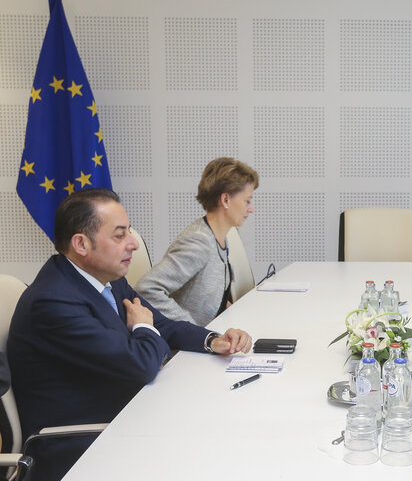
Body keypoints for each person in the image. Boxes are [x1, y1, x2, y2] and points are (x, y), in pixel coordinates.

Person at [7, 188, 252, 481]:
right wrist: (142, 328)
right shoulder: (53, 302)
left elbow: (161, 324)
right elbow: (142, 364)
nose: (134, 244)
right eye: (119, 235)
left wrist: (213, 340)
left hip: (121, 411)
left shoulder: (102, 278)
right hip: (78, 445)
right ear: (81, 244)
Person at [136, 157, 258, 326]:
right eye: (247, 201)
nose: (251, 209)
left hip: (211, 338)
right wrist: (193, 330)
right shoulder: (199, 241)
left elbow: (216, 299)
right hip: (188, 346)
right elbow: (146, 289)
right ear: (226, 200)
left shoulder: (219, 237)